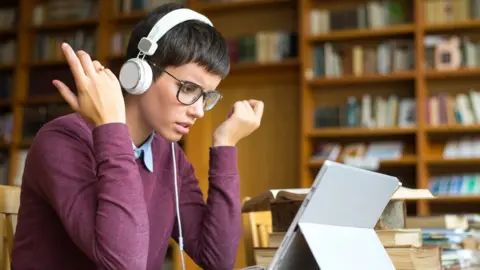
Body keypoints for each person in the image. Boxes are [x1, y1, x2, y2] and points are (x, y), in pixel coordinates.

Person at [11, 3, 264, 270]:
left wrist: (226, 145)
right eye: (189, 88)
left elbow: (218, 261)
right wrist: (111, 127)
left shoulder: (169, 155)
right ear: (139, 74)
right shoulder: (61, 140)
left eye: (206, 96)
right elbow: (124, 263)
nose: (199, 111)